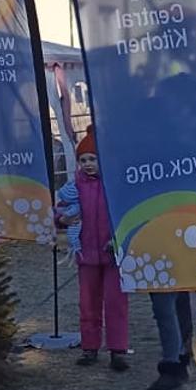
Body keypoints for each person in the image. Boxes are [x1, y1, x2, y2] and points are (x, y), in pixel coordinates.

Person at [55, 130, 131, 373]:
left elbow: (126, 215)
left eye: (93, 159)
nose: (88, 165)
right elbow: (60, 210)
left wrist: (118, 238)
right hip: (86, 254)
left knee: (115, 302)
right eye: (83, 160)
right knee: (88, 303)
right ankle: (89, 346)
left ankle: (118, 349)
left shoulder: (115, 185)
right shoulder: (73, 187)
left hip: (112, 254)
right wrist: (62, 220)